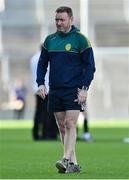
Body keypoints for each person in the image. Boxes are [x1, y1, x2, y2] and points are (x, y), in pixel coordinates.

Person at [36, 6, 95, 173]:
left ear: (71, 20)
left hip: (74, 90)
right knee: (62, 126)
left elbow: (90, 67)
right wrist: (41, 83)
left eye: (62, 20)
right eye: (56, 20)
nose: (59, 23)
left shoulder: (81, 40)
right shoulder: (50, 40)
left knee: (70, 124)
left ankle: (65, 159)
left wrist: (84, 89)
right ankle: (73, 165)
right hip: (55, 90)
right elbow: (42, 64)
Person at [31, 46, 58, 140]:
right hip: (46, 88)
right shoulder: (47, 58)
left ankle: (35, 133)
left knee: (38, 112)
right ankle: (47, 134)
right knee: (48, 113)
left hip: (36, 88)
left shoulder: (33, 57)